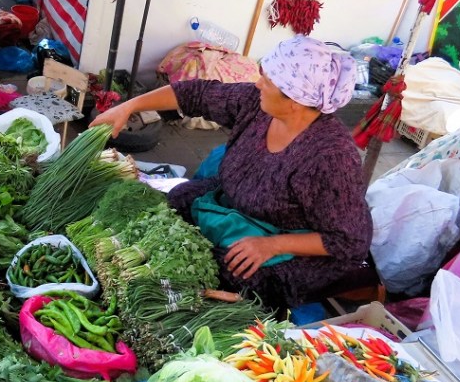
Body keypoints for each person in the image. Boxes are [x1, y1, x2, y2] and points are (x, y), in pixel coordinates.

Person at [92, 36, 374, 310]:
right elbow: (197, 94)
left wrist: (271, 245)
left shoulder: (330, 158)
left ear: (295, 99)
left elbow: (350, 240)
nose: (258, 83)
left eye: (268, 80)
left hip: (288, 242)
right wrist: (129, 107)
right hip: (238, 206)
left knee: (230, 275)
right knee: (174, 202)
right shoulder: (258, 105)